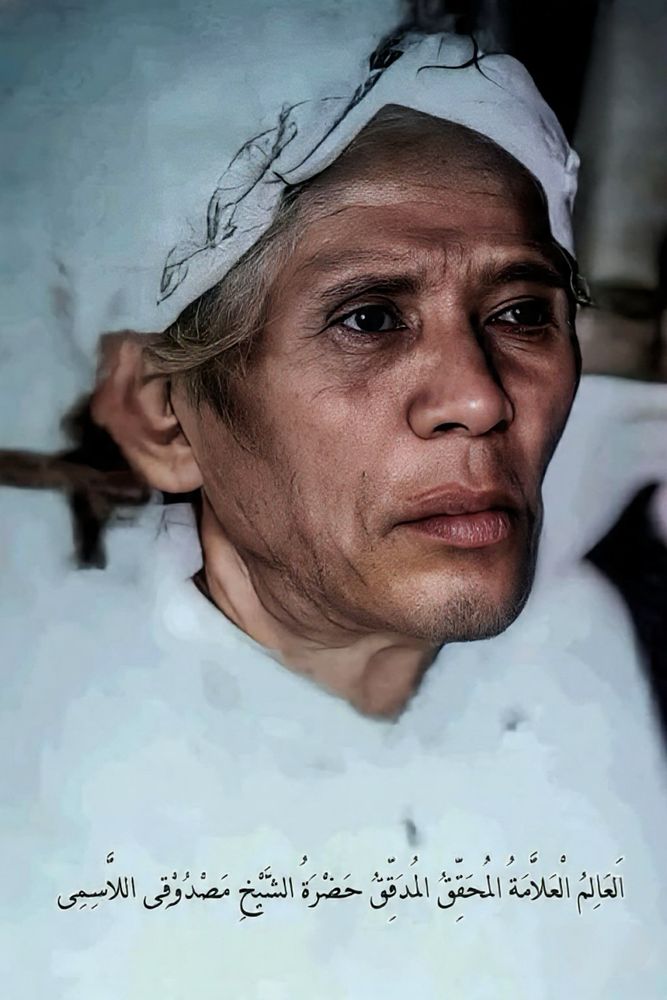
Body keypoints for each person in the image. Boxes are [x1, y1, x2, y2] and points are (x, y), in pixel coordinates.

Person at [2, 28, 667, 1000]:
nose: (479, 399)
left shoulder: (621, 645)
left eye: (522, 312)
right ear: (163, 414)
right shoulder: (40, 760)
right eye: (369, 319)